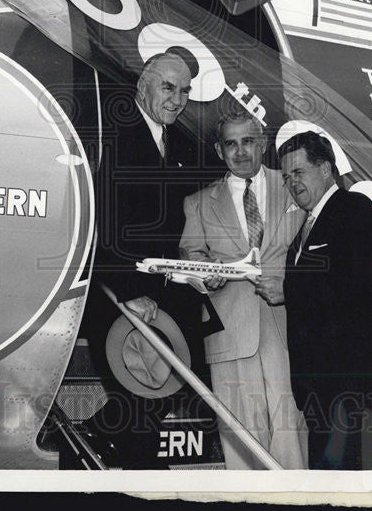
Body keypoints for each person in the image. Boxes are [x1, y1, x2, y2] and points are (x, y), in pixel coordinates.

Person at [80, 50, 211, 466]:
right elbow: (99, 216)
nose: (178, 99)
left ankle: (97, 433)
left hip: (166, 292)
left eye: (185, 91)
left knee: (188, 376)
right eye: (168, 88)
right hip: (121, 292)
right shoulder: (110, 131)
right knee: (141, 392)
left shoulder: (181, 143)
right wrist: (127, 291)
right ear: (143, 84)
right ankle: (138, 468)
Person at [178, 111, 308, 469]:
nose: (240, 152)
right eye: (231, 144)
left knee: (291, 433)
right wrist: (205, 277)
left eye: (248, 141)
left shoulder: (295, 185)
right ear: (220, 151)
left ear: (263, 144)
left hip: (289, 328)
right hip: (230, 334)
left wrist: (295, 286)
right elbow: (190, 258)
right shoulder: (199, 203)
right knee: (242, 438)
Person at [272, 130, 372, 469]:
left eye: (298, 172)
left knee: (355, 485)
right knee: (329, 484)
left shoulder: (355, 209)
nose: (292, 183)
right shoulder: (306, 229)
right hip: (318, 388)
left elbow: (357, 285)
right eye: (286, 177)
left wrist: (288, 290)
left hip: (350, 386)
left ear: (325, 169)